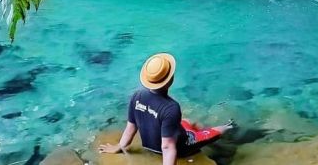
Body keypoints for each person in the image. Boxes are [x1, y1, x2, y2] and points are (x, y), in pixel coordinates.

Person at [98, 53, 233, 164]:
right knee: (215, 131)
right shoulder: (171, 107)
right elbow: (167, 147)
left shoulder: (137, 95)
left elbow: (130, 127)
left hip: (150, 144)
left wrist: (120, 146)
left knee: (186, 121)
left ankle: (195, 127)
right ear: (170, 80)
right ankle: (231, 126)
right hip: (182, 146)